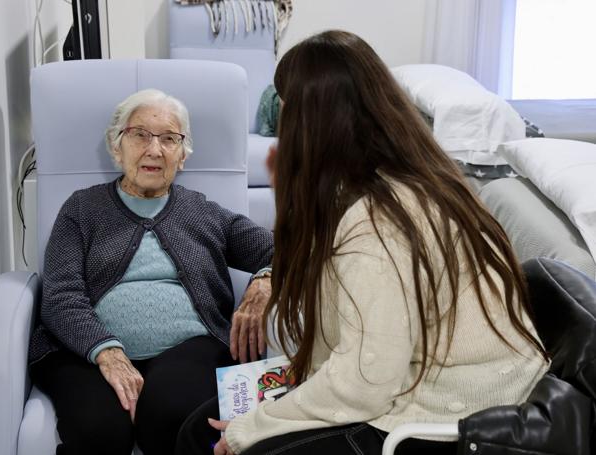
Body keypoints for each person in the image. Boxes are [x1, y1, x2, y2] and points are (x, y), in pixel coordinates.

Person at [176, 30, 549, 455]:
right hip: (404, 379)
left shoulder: (380, 222)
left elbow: (364, 383)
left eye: (287, 110)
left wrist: (254, 426)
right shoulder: (378, 185)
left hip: (445, 411)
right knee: (197, 429)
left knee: (214, 441)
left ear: (314, 124)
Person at [28, 89, 274, 455]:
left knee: (172, 416)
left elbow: (285, 252)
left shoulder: (203, 212)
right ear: (117, 146)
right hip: (85, 354)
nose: (154, 149)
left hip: (191, 348)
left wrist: (265, 279)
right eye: (140, 134)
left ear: (183, 156)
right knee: (99, 431)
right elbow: (61, 296)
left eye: (169, 139)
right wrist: (106, 351)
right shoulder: (81, 209)